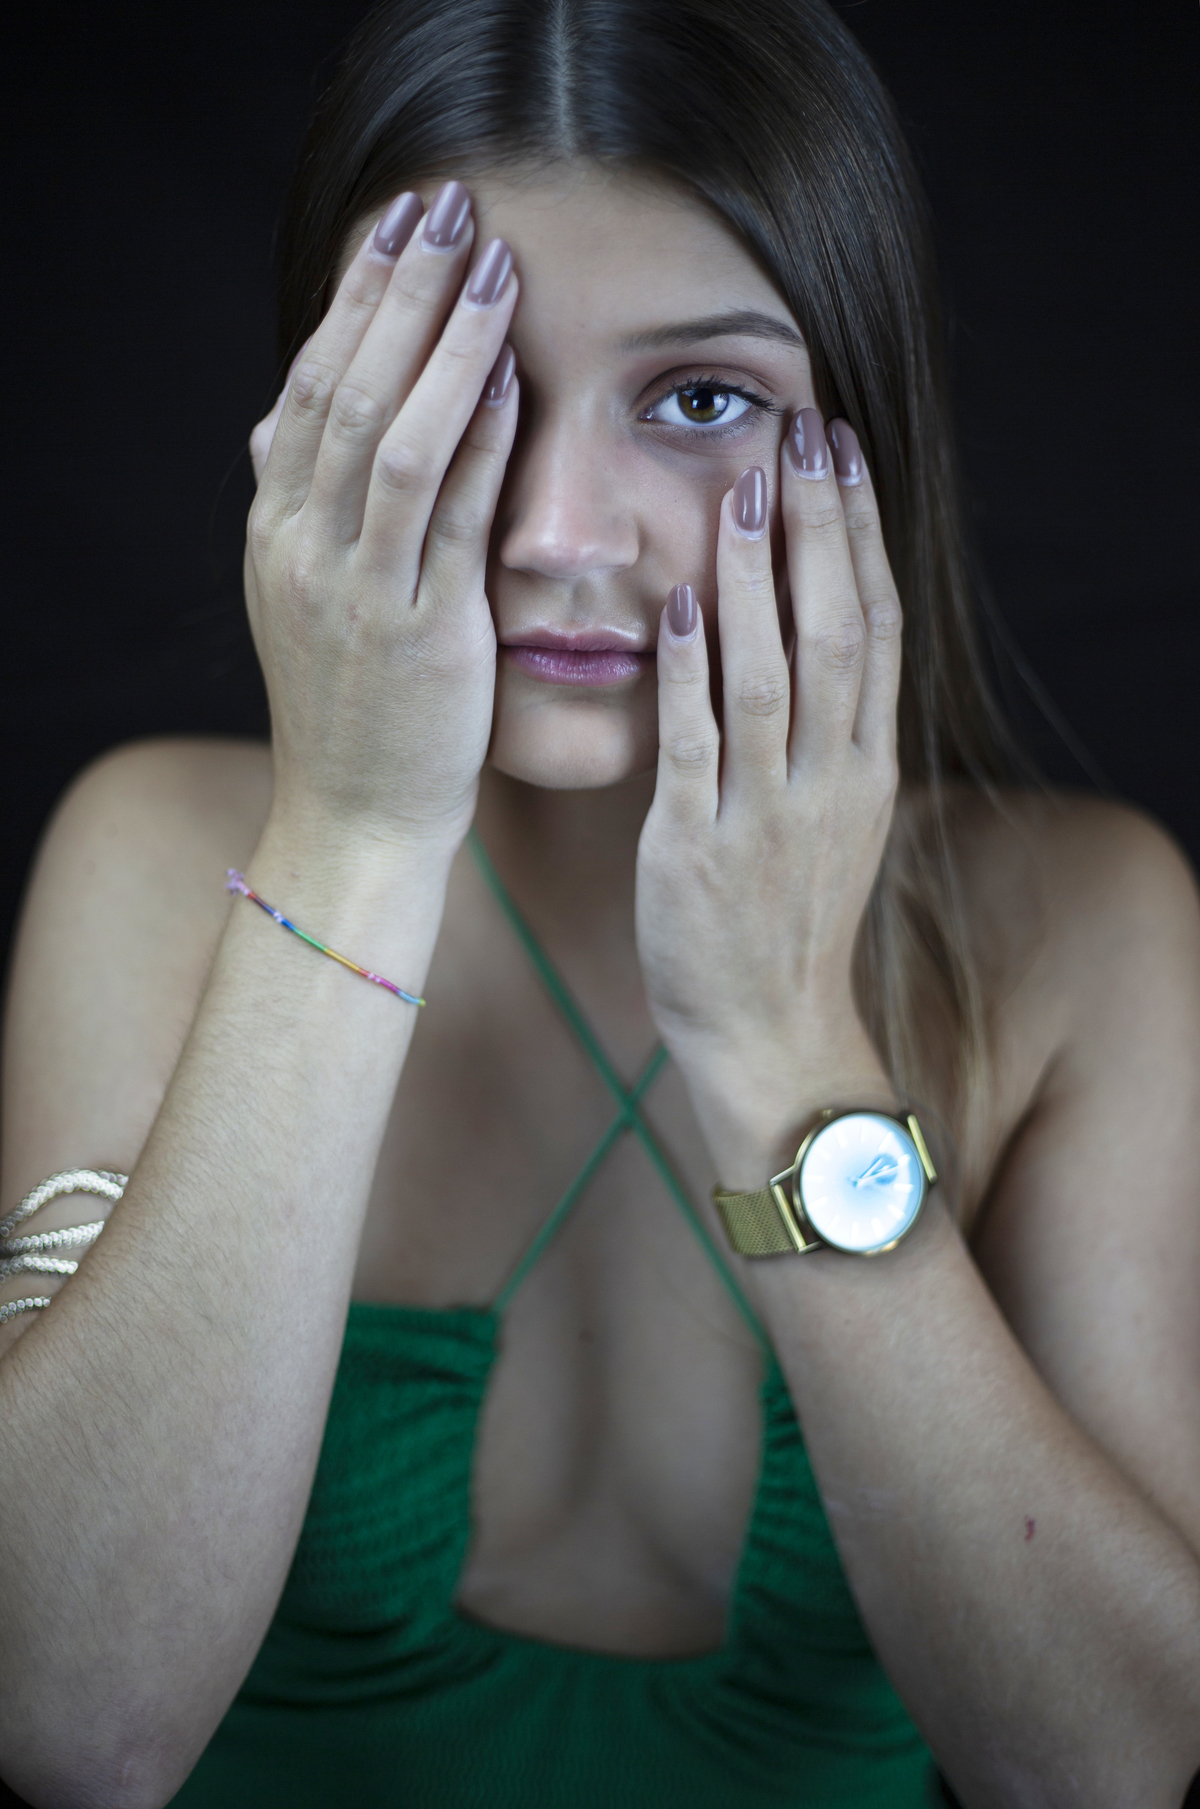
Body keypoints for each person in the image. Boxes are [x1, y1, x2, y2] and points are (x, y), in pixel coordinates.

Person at [1, 0, 1198, 1803]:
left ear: (865, 430)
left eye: (702, 399)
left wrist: (784, 1039)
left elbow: (1101, 1767)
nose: (562, 531)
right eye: (464, 385)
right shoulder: (154, 859)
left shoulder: (1080, 929)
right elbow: (69, 1718)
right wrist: (354, 834)